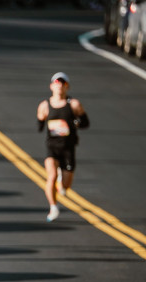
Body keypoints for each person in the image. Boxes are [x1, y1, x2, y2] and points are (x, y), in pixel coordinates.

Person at [36, 72, 89, 222]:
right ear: (51, 86)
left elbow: (85, 123)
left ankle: (62, 185)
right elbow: (39, 125)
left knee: (65, 186)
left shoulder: (74, 104)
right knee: (51, 176)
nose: (59, 86)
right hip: (52, 147)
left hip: (68, 148)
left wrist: (75, 123)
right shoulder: (45, 105)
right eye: (56, 83)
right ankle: (53, 207)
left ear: (67, 87)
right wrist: (41, 119)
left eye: (63, 84)